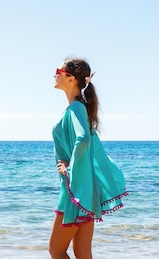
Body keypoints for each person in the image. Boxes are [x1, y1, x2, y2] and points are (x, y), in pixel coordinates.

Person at [49, 56, 128, 259]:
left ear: (71, 78)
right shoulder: (78, 108)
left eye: (58, 71)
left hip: (75, 191)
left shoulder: (75, 108)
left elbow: (83, 139)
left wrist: (69, 170)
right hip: (86, 190)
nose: (54, 75)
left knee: (56, 251)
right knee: (82, 253)